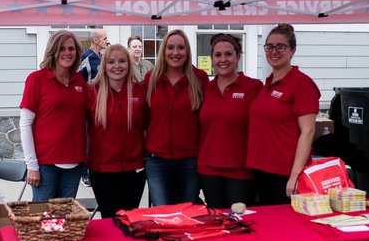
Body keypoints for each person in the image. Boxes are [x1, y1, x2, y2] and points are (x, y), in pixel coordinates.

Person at [247, 23, 321, 205]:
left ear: (292, 51)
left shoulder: (301, 84)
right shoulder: (269, 82)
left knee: (286, 228)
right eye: (269, 46)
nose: (274, 51)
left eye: (280, 46)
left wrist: (295, 175)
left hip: (285, 173)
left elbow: (308, 132)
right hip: (261, 169)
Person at [20, 30, 86, 201]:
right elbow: (25, 124)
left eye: (71, 49)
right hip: (45, 165)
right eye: (61, 48)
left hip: (75, 162)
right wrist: (32, 165)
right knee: (43, 220)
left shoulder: (80, 81)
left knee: (64, 221)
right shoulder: (37, 79)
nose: (67, 53)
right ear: (53, 51)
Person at [145, 29, 209, 206]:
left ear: (187, 51)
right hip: (157, 161)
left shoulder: (199, 79)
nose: (175, 53)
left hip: (190, 160)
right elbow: (143, 118)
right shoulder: (151, 79)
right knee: (164, 216)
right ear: (163, 51)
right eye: (170, 47)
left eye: (181, 48)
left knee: (187, 213)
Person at [198, 34, 262, 208]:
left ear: (238, 57)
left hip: (241, 170)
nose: (223, 59)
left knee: (239, 222)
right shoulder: (206, 88)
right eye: (218, 55)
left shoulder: (253, 87)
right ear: (212, 59)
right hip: (208, 168)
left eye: (228, 54)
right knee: (216, 222)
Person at [84, 44, 147, 218]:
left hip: (134, 169)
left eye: (122, 61)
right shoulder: (91, 92)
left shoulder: (140, 90)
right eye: (111, 62)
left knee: (130, 220)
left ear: (129, 64)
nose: (116, 66)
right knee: (110, 221)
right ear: (104, 65)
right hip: (102, 170)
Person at [79, 28, 109, 187]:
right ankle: (84, 173)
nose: (107, 41)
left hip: (102, 104)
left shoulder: (104, 56)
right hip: (88, 105)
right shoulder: (85, 58)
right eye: (105, 38)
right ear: (96, 41)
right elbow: (80, 80)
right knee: (87, 138)